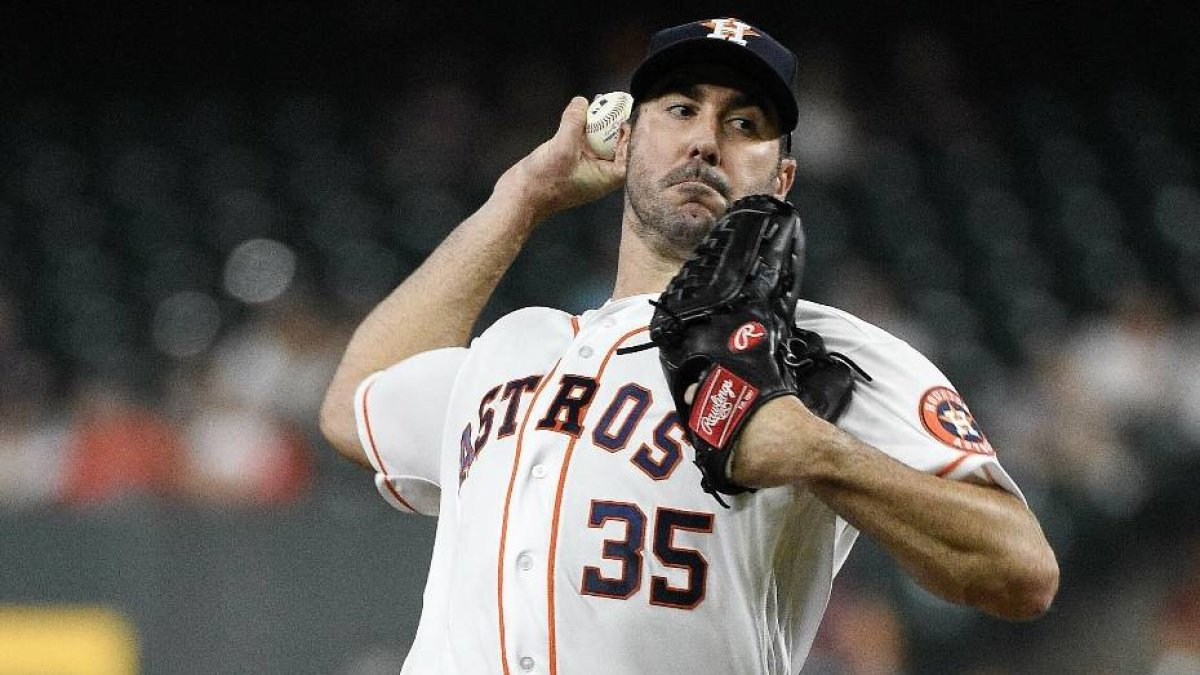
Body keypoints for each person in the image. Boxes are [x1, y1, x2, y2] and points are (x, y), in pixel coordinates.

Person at [319, 17, 1059, 674]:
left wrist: (817, 452)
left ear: (784, 176)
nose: (706, 139)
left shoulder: (817, 350)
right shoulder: (515, 347)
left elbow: (1020, 568)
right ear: (628, 136)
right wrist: (519, 200)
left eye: (745, 124)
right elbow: (354, 407)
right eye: (681, 109)